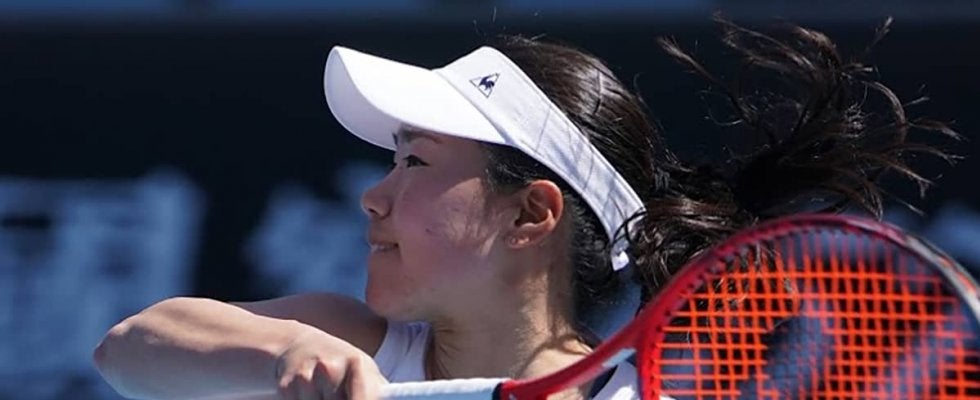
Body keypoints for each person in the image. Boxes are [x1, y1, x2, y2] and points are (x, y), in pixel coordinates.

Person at [92, 17, 956, 400]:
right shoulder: (353, 344)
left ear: (531, 215)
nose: (374, 195)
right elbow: (131, 347)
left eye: (415, 162)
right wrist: (286, 351)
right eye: (391, 161)